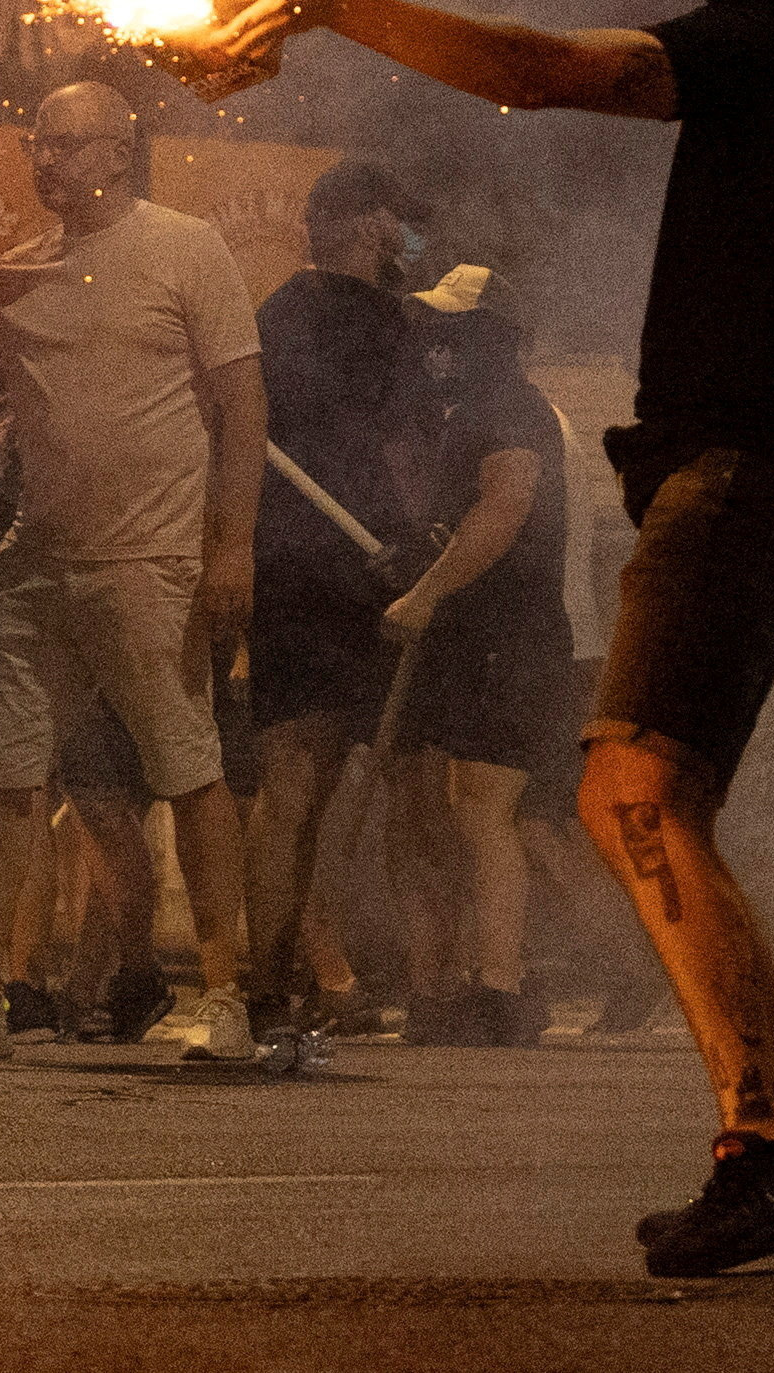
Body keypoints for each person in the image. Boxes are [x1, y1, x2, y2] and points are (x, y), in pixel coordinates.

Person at [213, 0, 774, 1279]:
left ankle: (772, 1147)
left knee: (634, 794)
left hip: (752, 477)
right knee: (642, 798)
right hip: (762, 479)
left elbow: (540, 71)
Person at [0, 79, 265, 1070]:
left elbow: (243, 408)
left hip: (153, 562)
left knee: (190, 772)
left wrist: (231, 547)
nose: (44, 162)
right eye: (37, 144)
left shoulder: (186, 248)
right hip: (35, 567)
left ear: (118, 150)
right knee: (3, 777)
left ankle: (225, 996)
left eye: (66, 145)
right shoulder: (13, 274)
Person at [240, 156, 431, 1040]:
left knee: (300, 785)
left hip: (289, 562)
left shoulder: (272, 313)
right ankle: (284, 969)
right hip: (351, 570)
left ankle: (281, 977)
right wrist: (420, 546)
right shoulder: (380, 324)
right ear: (367, 225)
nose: (405, 240)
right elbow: (401, 447)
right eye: (396, 222)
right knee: (323, 784)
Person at [382, 273, 577, 1045]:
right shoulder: (463, 415)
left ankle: (501, 989)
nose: (438, 343)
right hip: (471, 640)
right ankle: (448, 984)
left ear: (493, 337)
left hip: (511, 638)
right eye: (433, 327)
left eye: (454, 329)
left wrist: (426, 593)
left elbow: (504, 507)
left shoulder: (512, 410)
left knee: (486, 809)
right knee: (446, 807)